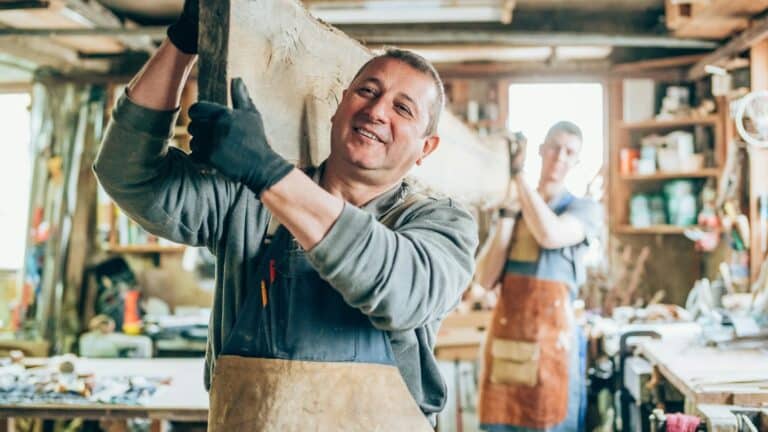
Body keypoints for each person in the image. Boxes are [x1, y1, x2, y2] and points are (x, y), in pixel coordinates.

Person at [92, 1, 478, 430]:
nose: (377, 110)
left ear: (426, 148)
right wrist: (182, 42)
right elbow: (128, 175)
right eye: (367, 91)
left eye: (403, 108)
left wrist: (268, 171)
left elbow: (400, 291)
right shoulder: (248, 201)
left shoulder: (442, 224)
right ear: (339, 106)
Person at [475, 123, 602, 432]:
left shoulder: (583, 209)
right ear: (541, 150)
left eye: (569, 152)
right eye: (555, 147)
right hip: (507, 347)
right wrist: (507, 216)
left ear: (576, 162)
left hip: (552, 350)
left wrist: (518, 177)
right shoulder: (516, 207)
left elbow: (550, 234)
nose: (560, 156)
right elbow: (485, 279)